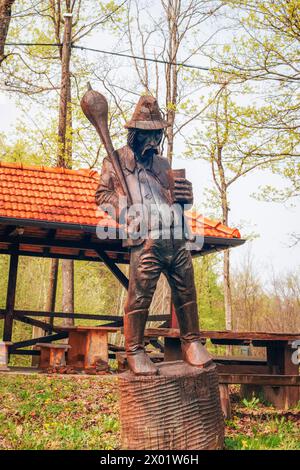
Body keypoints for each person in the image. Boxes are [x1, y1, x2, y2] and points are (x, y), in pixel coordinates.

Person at [95, 95, 212, 375]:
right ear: (134, 134)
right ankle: (134, 349)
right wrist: (129, 212)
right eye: (147, 134)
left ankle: (192, 342)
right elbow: (102, 195)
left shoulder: (163, 164)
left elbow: (177, 199)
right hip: (146, 240)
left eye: (157, 133)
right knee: (140, 297)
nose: (153, 140)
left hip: (176, 237)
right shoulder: (115, 161)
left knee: (186, 292)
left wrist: (186, 197)